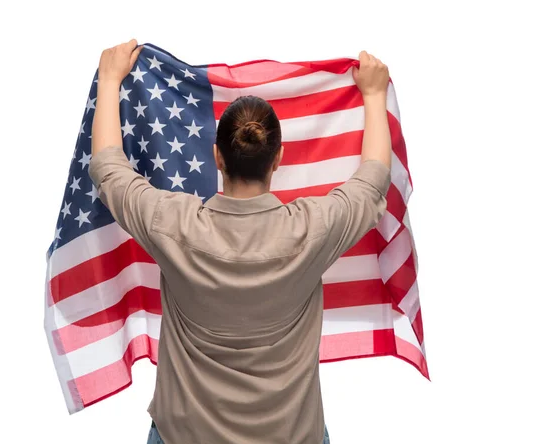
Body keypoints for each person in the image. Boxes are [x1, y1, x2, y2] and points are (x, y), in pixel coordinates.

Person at [88, 39, 392, 444]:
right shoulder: (313, 229)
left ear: (217, 157)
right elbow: (372, 182)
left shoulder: (172, 225)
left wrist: (109, 80)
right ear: (279, 158)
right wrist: (374, 95)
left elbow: (110, 171)